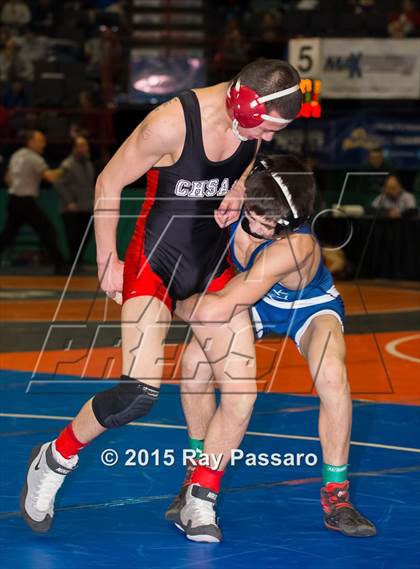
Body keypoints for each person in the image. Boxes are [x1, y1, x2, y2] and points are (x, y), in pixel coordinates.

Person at [20, 59, 302, 541]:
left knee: (241, 394)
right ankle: (54, 457)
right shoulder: (171, 122)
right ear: (241, 100)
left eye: (277, 131)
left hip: (211, 266)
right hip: (156, 262)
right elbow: (108, 181)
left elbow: (251, 157)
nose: (268, 138)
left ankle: (200, 498)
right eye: (266, 128)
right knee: (137, 394)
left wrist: (237, 187)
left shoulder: (253, 121)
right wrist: (106, 257)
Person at [169, 155, 376, 538]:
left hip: (308, 307)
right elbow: (248, 157)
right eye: (259, 219)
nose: (264, 230)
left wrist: (167, 301)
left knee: (332, 374)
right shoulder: (239, 201)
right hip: (252, 300)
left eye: (275, 225)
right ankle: (196, 474)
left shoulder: (292, 246)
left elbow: (215, 309)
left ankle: (337, 495)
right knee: (194, 364)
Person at [0, 130, 66, 273]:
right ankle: (60, 266)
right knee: (48, 231)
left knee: (7, 235)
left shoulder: (16, 155)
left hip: (13, 200)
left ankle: (59, 264)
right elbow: (51, 177)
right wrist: (66, 167)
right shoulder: (35, 158)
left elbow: (7, 179)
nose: (44, 144)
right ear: (31, 142)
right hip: (25, 202)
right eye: (40, 141)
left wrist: (20, 183)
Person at [55, 137, 95, 267]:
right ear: (74, 148)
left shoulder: (89, 164)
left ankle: (77, 261)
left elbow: (90, 185)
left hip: (86, 207)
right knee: (73, 237)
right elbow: (59, 183)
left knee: (86, 235)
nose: (84, 148)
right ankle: (72, 263)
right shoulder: (67, 164)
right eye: (81, 145)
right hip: (72, 208)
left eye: (85, 145)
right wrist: (69, 201)